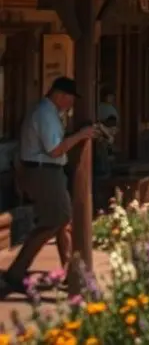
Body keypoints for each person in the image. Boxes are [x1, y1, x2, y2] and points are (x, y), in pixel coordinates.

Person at [1, 78, 94, 295]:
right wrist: (80, 136)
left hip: (47, 171)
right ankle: (16, 271)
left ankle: (71, 269)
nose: (71, 104)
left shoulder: (49, 114)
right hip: (43, 171)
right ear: (60, 95)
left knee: (63, 220)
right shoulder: (45, 114)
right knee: (57, 218)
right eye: (70, 99)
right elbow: (54, 150)